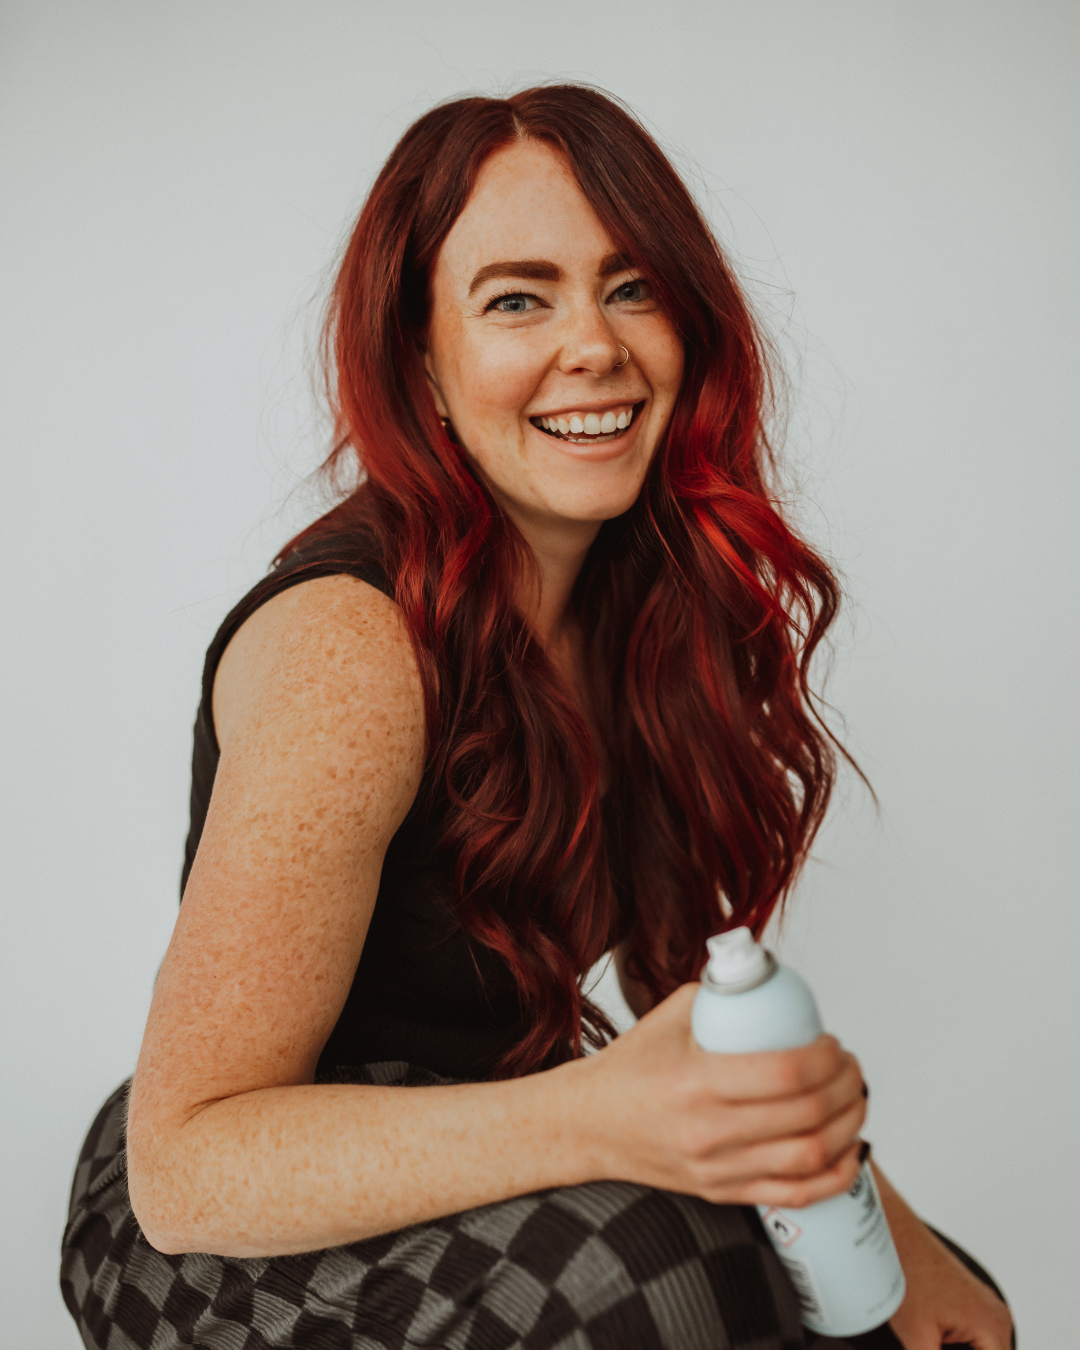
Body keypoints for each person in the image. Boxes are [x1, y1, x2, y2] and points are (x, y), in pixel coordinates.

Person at [61, 85, 1014, 1350]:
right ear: (423, 367)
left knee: (891, 1295)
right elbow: (186, 1169)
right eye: (519, 298)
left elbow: (698, 1005)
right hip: (229, 1226)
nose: (595, 347)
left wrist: (884, 1226)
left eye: (631, 288)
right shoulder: (353, 649)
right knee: (660, 1262)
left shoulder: (647, 604)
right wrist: (598, 1115)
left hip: (462, 1161)